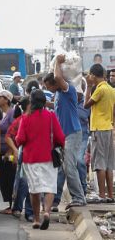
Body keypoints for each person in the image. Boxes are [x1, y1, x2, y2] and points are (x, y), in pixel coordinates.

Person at [16, 89, 66, 230]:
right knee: (50, 187)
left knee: (34, 189)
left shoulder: (25, 118)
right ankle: (47, 212)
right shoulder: (51, 116)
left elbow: (20, 139)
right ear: (44, 102)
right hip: (49, 157)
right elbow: (60, 138)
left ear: (31, 102)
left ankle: (36, 219)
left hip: (30, 158)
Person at [43, 54, 86, 210]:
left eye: (48, 86)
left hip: (73, 134)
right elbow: (53, 107)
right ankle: (55, 201)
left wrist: (59, 62)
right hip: (63, 136)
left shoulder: (68, 89)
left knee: (69, 166)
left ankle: (79, 198)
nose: (47, 89)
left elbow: (57, 76)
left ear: (56, 83)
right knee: (60, 168)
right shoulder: (59, 95)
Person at [84, 64, 115, 202]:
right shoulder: (111, 89)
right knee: (108, 163)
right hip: (108, 127)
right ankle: (110, 194)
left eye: (90, 75)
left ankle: (102, 195)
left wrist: (89, 87)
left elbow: (86, 105)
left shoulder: (100, 89)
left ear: (94, 75)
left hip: (99, 129)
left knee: (99, 163)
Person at [6, 97, 34, 222]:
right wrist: (16, 150)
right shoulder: (21, 120)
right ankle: (19, 208)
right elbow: (8, 136)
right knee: (24, 182)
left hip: (34, 156)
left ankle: (28, 211)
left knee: (30, 184)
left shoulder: (37, 118)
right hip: (24, 155)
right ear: (29, 106)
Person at [0, 89, 16, 215]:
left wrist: (10, 150)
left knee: (9, 178)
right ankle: (10, 205)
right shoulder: (3, 115)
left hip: (8, 153)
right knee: (4, 178)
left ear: (6, 100)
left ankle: (12, 206)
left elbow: (14, 132)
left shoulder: (12, 113)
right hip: (2, 153)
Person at [76, 91, 90, 195]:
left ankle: (83, 188)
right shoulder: (68, 101)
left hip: (83, 136)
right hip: (69, 135)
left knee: (79, 160)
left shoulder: (86, 103)